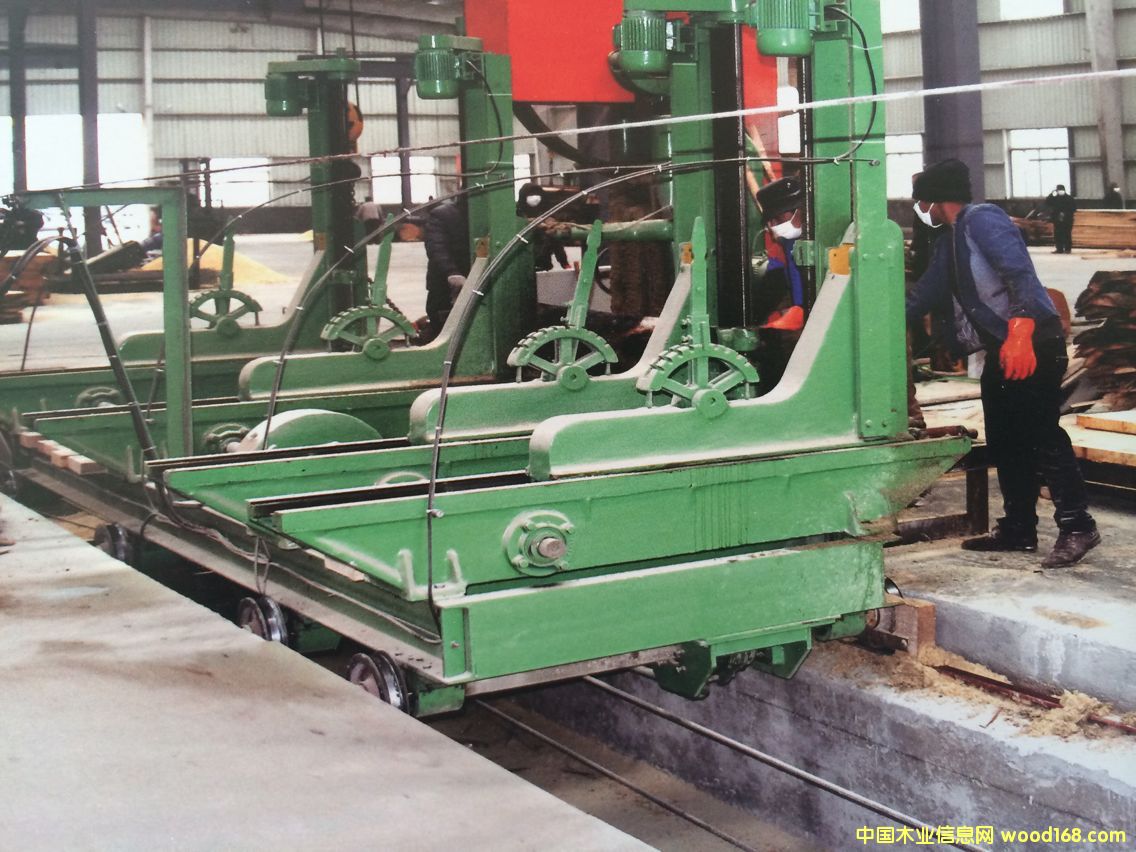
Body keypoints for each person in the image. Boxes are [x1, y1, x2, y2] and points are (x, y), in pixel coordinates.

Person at [905, 158, 1100, 568]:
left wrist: (1021, 333)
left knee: (1040, 432)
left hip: (1032, 342)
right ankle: (1018, 529)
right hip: (1003, 349)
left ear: (934, 199)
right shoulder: (947, 241)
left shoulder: (983, 219)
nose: (919, 210)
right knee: (1005, 438)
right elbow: (921, 297)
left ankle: (1078, 525)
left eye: (920, 202)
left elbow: (1019, 274)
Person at [754, 176, 806, 331]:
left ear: (799, 210)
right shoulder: (788, 242)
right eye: (770, 222)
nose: (773, 226)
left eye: (777, 218)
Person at [423, 197, 469, 338]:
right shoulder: (441, 214)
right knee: (442, 328)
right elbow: (436, 247)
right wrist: (451, 272)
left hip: (474, 279)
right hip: (444, 286)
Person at [516, 183, 569, 272]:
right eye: (531, 194)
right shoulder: (517, 214)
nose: (535, 197)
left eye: (537, 194)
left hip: (543, 267)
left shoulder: (546, 215)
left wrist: (565, 264)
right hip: (523, 268)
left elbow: (556, 242)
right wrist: (529, 223)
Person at [1044, 184, 1077, 254]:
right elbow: (1047, 202)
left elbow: (1074, 208)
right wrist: (1052, 193)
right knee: (1058, 235)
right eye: (1058, 190)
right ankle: (1059, 249)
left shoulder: (1069, 198)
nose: (1060, 191)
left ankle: (1068, 249)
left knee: (1067, 234)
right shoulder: (1055, 198)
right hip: (1057, 220)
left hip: (1067, 220)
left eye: (1061, 190)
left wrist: (1065, 213)